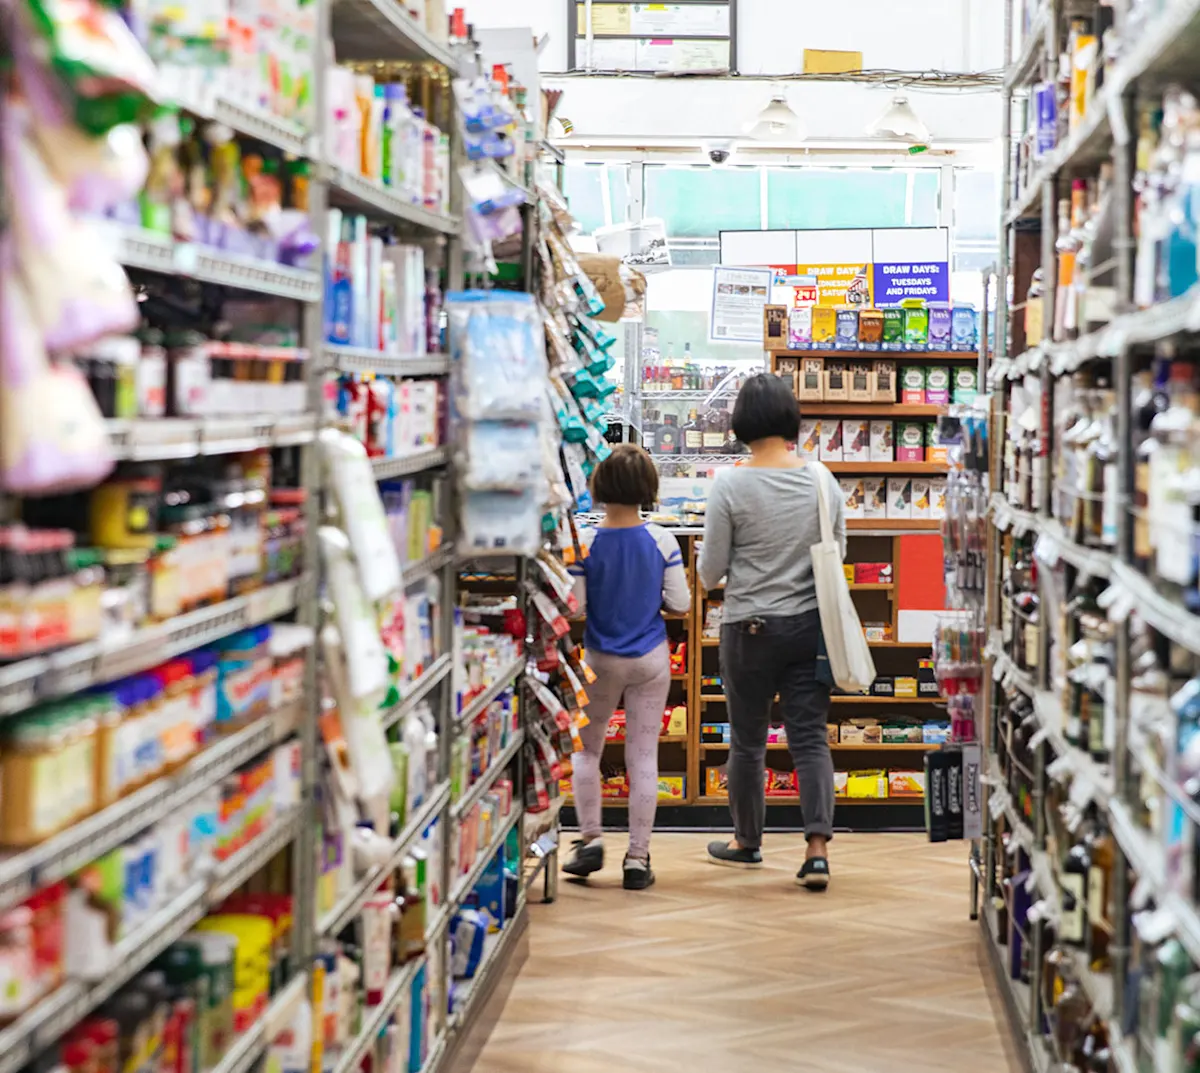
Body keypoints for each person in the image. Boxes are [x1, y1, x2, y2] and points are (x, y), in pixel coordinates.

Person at [697, 373, 845, 890]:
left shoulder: (731, 484)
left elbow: (709, 571)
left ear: (741, 422)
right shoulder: (822, 479)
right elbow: (838, 552)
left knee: (748, 742)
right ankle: (818, 848)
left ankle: (747, 842)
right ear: (791, 419)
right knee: (809, 739)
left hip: (750, 628)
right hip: (810, 627)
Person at [562, 443, 691, 890]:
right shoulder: (663, 540)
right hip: (651, 660)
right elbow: (680, 604)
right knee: (643, 758)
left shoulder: (586, 542)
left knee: (587, 750)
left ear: (599, 487)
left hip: (599, 660)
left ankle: (589, 839)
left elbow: (574, 608)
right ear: (648, 489)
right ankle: (637, 859)